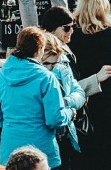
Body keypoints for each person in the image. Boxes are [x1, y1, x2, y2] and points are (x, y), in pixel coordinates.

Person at [0, 27, 73, 168]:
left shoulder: (0, 77)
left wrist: (14, 126)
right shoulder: (46, 77)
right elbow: (54, 118)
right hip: (41, 151)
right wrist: (70, 113)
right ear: (40, 49)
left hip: (10, 148)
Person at [68, 0, 111, 170]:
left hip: (81, 100)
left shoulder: (72, 36)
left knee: (85, 151)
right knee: (109, 150)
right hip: (107, 99)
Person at [37, 31, 86, 159]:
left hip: (64, 133)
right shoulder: (33, 74)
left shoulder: (63, 66)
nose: (50, 68)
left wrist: (65, 101)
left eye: (54, 63)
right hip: (44, 135)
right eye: (46, 63)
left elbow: (80, 94)